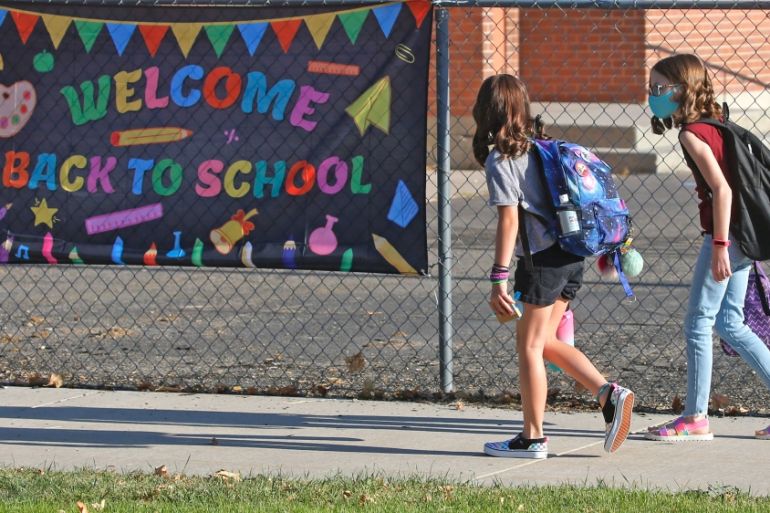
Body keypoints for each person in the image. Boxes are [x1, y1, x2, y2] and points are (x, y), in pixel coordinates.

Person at [473, 74, 635, 459]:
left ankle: (532, 438)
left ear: (485, 111)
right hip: (570, 256)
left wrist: (498, 278)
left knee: (528, 346)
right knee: (544, 342)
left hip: (542, 262)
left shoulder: (502, 159)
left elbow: (509, 222)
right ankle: (608, 394)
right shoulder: (540, 147)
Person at [645, 53, 770, 441]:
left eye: (660, 88)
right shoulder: (716, 123)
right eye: (650, 88)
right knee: (730, 323)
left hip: (726, 236)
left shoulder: (691, 133)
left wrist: (718, 245)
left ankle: (695, 417)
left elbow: (723, 190)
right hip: (741, 234)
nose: (653, 94)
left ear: (682, 90)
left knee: (698, 322)